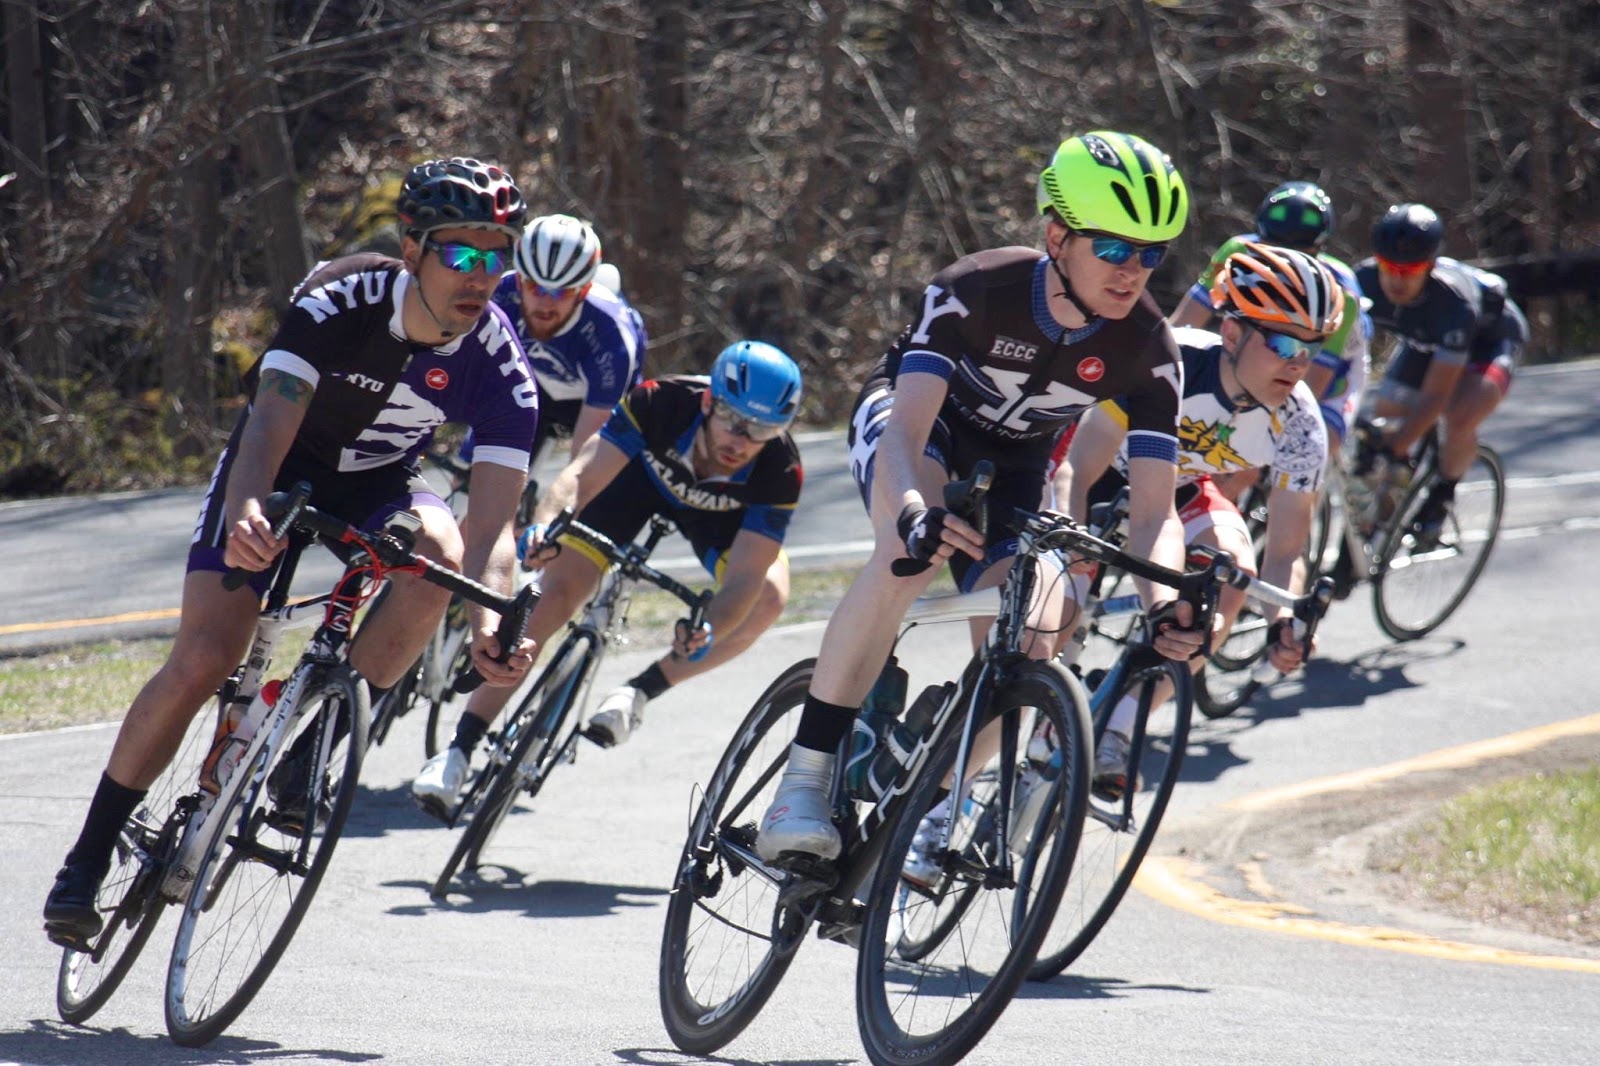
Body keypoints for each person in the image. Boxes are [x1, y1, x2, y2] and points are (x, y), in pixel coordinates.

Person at [41, 157, 542, 949]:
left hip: (378, 481)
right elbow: (268, 427)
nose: (483, 276)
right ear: (412, 247)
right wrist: (246, 512)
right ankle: (88, 855)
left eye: (498, 255)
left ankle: (309, 753)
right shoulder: (341, 297)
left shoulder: (502, 364)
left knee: (441, 551)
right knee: (206, 656)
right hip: (278, 470)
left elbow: (493, 531)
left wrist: (489, 617)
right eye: (463, 254)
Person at [754, 131, 1209, 867]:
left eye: (1151, 253)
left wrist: (1167, 606)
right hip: (920, 430)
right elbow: (906, 428)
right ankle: (803, 780)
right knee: (907, 554)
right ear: (1057, 235)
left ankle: (928, 782)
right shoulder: (978, 288)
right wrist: (911, 508)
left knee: (1041, 623)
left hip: (1018, 465)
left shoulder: (1152, 350)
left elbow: (1155, 515)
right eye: (1115, 248)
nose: (1134, 271)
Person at [411, 341, 804, 817]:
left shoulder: (780, 469)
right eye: (734, 421)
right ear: (708, 401)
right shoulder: (661, 401)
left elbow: (744, 578)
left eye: (762, 429)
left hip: (718, 521)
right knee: (552, 598)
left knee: (768, 596)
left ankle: (639, 690)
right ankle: (459, 748)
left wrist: (708, 629)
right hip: (629, 488)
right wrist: (546, 524)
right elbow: (581, 475)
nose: (742, 441)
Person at [1052, 243, 1344, 796]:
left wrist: (1287, 621)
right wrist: (1071, 548)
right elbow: (1077, 468)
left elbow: (1285, 552)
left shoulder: (1302, 425)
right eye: (1282, 342)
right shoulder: (1167, 361)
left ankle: (1118, 725)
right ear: (1231, 335)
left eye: (1312, 348)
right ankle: (1040, 700)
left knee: (1233, 570)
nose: (1297, 362)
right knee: (1065, 592)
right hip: (1098, 474)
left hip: (1178, 485)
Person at [1354, 202, 1525, 540]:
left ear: (1430, 266)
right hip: (1427, 342)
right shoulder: (1362, 281)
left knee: (1459, 415)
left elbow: (1435, 397)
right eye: (1388, 267)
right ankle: (1375, 528)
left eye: (1410, 270)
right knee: (1386, 416)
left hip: (1489, 342)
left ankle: (1442, 495)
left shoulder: (1453, 302)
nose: (1396, 280)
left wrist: (1395, 449)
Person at [1170, 180, 1371, 455]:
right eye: (1270, 252)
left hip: (1335, 368)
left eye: (1299, 256)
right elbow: (1181, 324)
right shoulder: (1236, 252)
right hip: (1269, 350)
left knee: (1312, 444)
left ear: (1319, 251)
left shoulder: (1342, 294)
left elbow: (1313, 380)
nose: (1281, 268)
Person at [490, 213, 648, 464]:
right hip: (533, 385)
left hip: (593, 403)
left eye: (560, 292)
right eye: (535, 287)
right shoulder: (499, 294)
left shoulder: (610, 336)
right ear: (519, 281)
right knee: (473, 468)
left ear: (583, 290)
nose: (545, 304)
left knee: (589, 488)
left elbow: (584, 460)